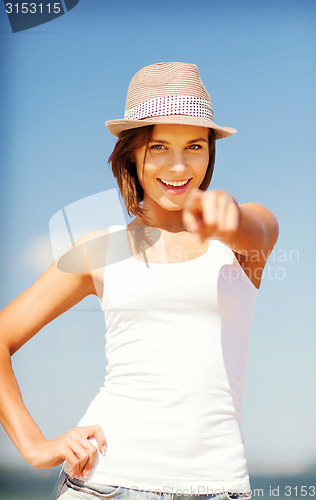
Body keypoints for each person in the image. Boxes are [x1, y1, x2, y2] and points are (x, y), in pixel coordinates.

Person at [0, 62, 279, 500]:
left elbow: (254, 227)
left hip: (218, 487)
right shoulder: (101, 249)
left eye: (194, 146)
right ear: (132, 152)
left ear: (210, 152)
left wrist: (227, 216)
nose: (179, 165)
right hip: (104, 482)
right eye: (158, 147)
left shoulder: (243, 241)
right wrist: (34, 446)